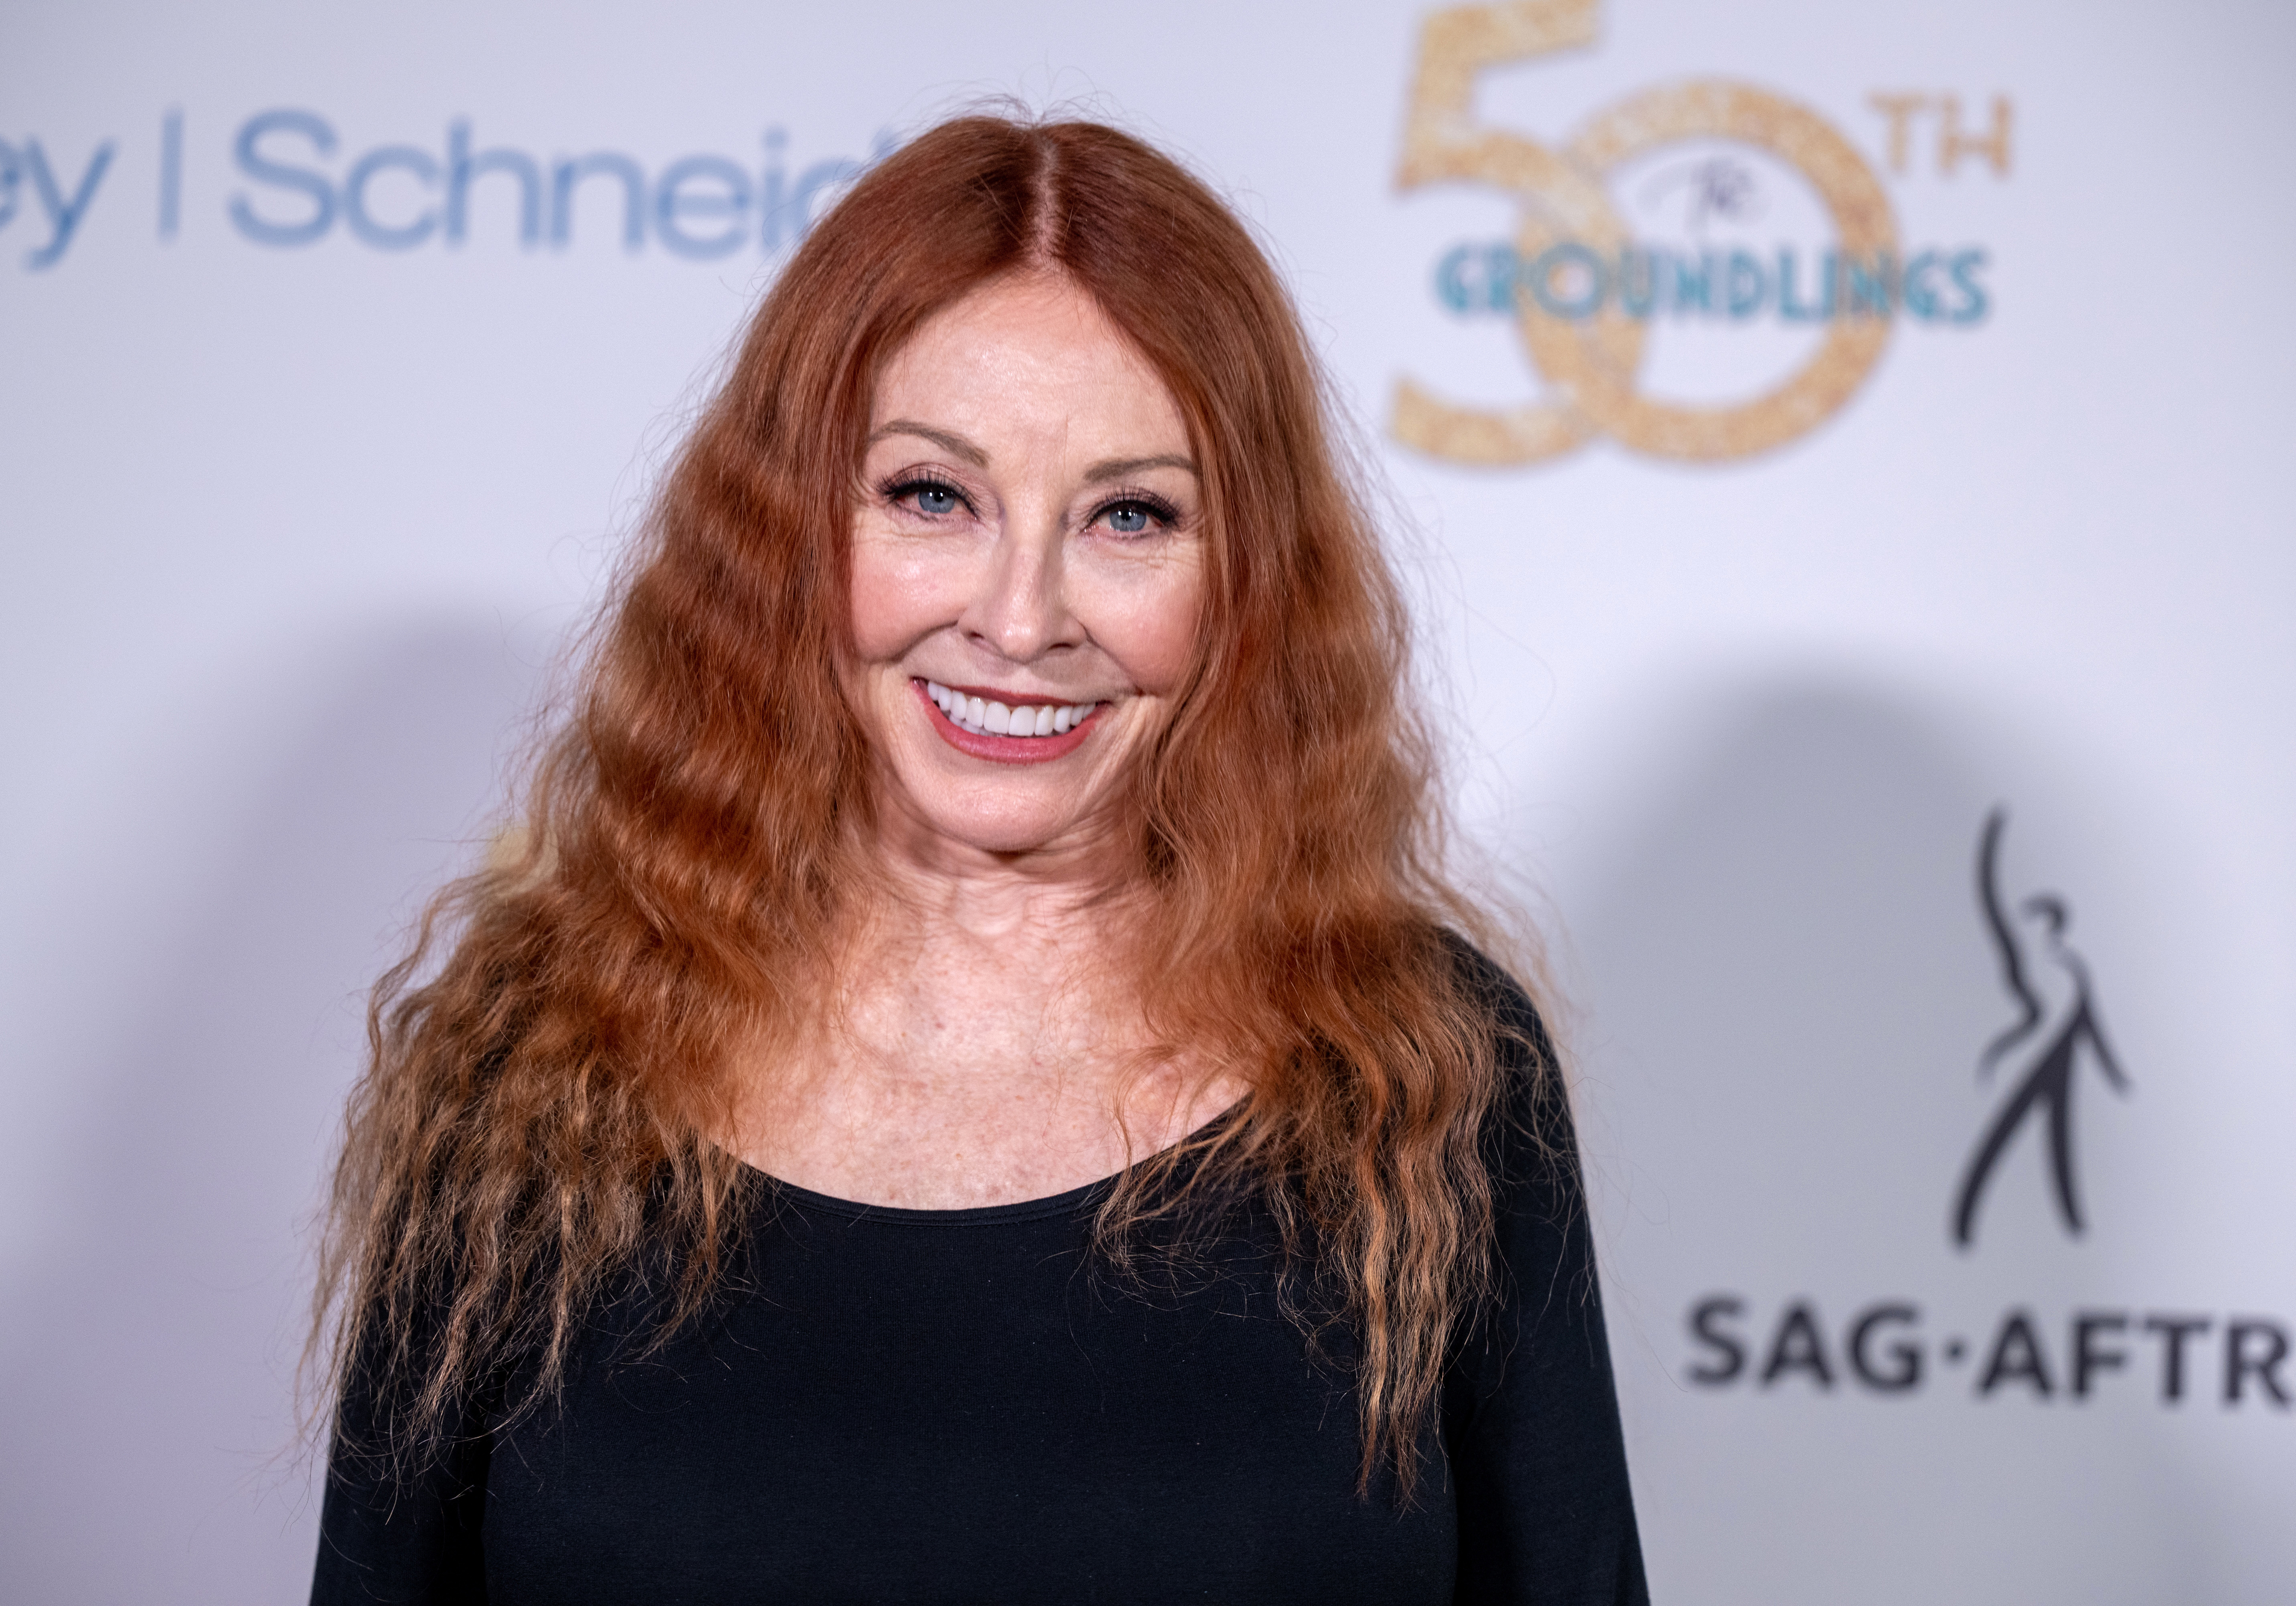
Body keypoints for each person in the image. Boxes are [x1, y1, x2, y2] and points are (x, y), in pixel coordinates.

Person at [309, 114, 1647, 1604]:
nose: (1019, 620)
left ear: (1248, 580)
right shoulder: (538, 1048)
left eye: (1129, 515)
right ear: (786, 527)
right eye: (930, 495)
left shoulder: (1420, 1071)